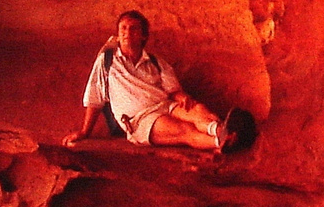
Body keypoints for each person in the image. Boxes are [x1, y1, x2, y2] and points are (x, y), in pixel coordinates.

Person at [69, 10, 232, 152]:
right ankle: (220, 143)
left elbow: (173, 91)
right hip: (140, 119)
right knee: (184, 129)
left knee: (198, 110)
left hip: (165, 106)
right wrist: (85, 132)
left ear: (144, 35)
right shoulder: (107, 61)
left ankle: (222, 130)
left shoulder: (155, 62)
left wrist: (182, 97)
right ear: (118, 35)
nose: (127, 32)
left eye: (134, 29)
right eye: (123, 28)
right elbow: (95, 98)